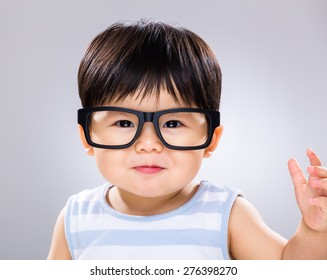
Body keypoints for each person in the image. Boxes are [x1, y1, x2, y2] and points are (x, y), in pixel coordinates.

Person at [47, 19, 327, 260]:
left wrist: (313, 231)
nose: (148, 144)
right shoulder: (75, 218)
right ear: (87, 136)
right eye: (123, 122)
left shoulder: (225, 214)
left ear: (210, 139)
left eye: (172, 123)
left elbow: (289, 269)